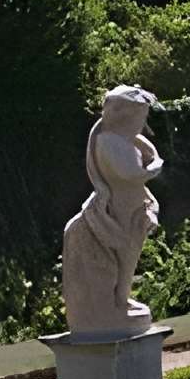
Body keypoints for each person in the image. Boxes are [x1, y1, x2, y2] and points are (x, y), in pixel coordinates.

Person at [62, 85, 164, 335]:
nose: (143, 123)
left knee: (132, 254)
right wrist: (155, 167)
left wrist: (153, 157)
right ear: (125, 115)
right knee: (124, 254)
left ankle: (122, 298)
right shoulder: (108, 142)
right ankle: (117, 301)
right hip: (119, 207)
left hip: (135, 205)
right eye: (140, 116)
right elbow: (133, 173)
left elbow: (150, 152)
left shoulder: (127, 138)